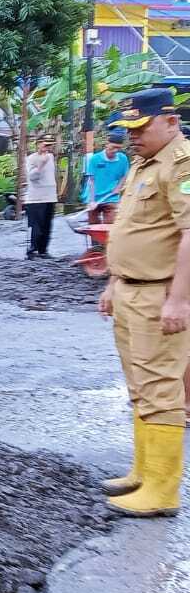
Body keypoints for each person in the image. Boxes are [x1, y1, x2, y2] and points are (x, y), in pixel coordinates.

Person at [97, 87, 190, 517]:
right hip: (132, 288)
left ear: (170, 121)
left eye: (141, 127)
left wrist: (179, 300)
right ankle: (143, 473)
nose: (132, 136)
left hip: (160, 294)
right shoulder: (143, 164)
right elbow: (132, 229)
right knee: (139, 385)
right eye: (128, 129)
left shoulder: (181, 163)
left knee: (160, 387)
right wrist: (114, 282)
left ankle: (163, 490)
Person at [83, 131, 130, 225]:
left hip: (111, 197)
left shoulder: (123, 159)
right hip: (94, 197)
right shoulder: (95, 159)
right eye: (113, 147)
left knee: (110, 227)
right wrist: (92, 201)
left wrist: (118, 187)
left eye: (118, 148)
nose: (115, 150)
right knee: (94, 226)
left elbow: (125, 175)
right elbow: (91, 181)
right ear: (107, 144)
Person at [24, 136, 59, 259]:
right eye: (45, 145)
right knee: (36, 226)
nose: (47, 148)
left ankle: (43, 250)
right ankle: (32, 250)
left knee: (47, 225)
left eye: (50, 146)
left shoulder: (51, 157)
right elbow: (32, 177)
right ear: (38, 144)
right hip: (36, 198)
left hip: (50, 196)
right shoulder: (31, 158)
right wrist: (40, 165)